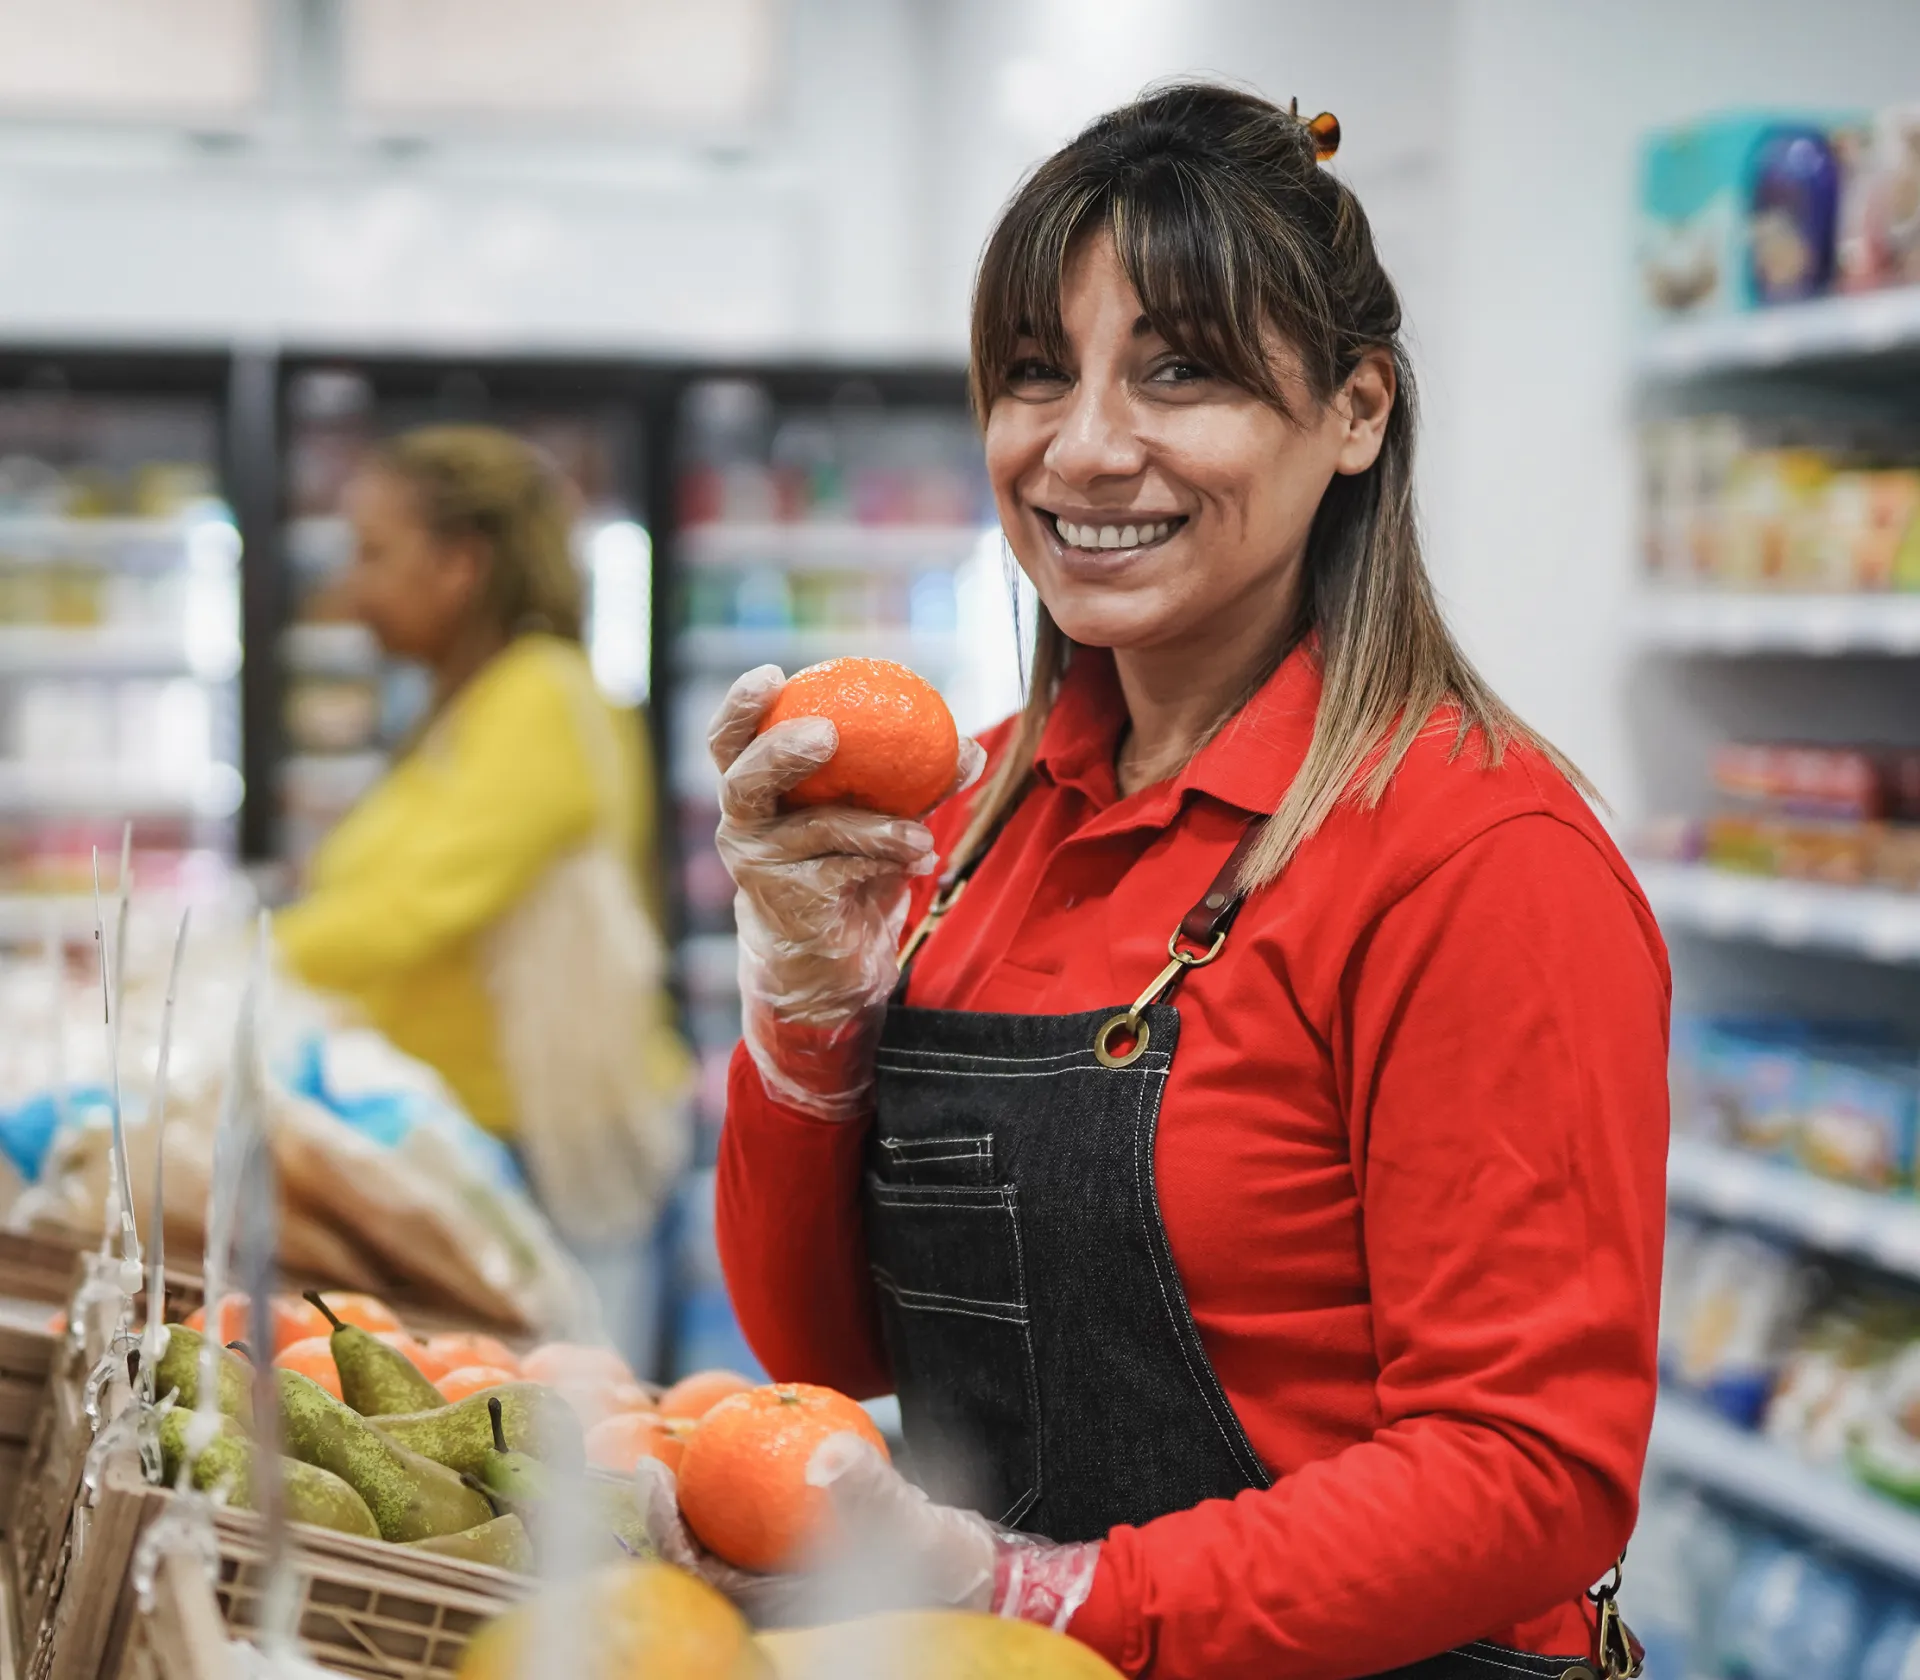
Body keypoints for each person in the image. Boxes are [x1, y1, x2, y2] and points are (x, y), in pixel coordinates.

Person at [707, 84, 1669, 1680]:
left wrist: (1068, 1601)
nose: (1082, 447)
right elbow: (826, 1344)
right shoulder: (962, 819)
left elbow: (1532, 1474)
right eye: (1035, 372)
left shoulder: (1476, 858)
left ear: (1355, 411)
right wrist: (801, 1027)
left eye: (1181, 371)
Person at [276, 426, 691, 1341]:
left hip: (553, 1153)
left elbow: (416, 906)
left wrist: (247, 952)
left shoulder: (538, 695)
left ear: (461, 563)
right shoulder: (462, 704)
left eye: (375, 552)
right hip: (476, 1138)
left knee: (578, 1457)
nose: (352, 587)